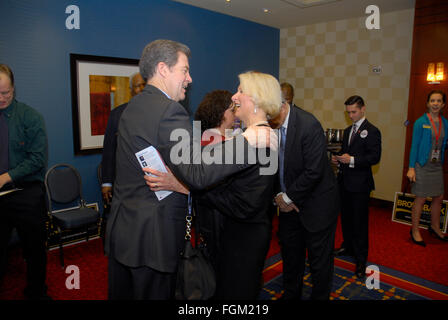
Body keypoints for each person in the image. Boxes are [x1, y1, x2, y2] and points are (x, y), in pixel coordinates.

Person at [104, 40, 271, 300]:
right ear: (163, 69)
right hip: (152, 240)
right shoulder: (170, 111)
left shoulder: (132, 107)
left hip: (124, 234)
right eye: (185, 70)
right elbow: (197, 172)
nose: (190, 79)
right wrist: (247, 142)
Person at [144, 71, 281, 299]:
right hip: (234, 234)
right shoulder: (250, 137)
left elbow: (246, 206)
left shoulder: (262, 142)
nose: (234, 97)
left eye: (240, 91)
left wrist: (186, 188)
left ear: (257, 99)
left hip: (245, 240)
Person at [269, 83, 339, 300]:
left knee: (319, 262)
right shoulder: (270, 126)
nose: (268, 121)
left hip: (317, 205)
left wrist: (288, 196)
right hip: (289, 205)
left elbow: (313, 171)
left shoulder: (308, 125)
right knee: (291, 257)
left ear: (283, 106)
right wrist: (279, 197)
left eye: (271, 114)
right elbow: (270, 167)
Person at [0, 64, 49, 300]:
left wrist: (5, 177)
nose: (1, 98)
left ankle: (36, 293)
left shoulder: (30, 117)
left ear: (13, 89)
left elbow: (38, 159)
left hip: (26, 193)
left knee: (34, 250)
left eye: (5, 93)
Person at [332, 95, 381, 279]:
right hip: (345, 182)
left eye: (353, 112)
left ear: (363, 109)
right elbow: (347, 153)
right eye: (348, 112)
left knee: (360, 223)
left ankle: (361, 259)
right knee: (345, 218)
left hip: (360, 185)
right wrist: (339, 161)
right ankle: (348, 246)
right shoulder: (347, 130)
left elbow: (374, 158)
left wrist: (351, 160)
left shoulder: (372, 131)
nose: (351, 115)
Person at [407, 90, 448, 245]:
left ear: (443, 104)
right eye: (432, 101)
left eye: (438, 101)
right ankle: (415, 230)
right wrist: (411, 168)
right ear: (428, 103)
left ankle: (435, 227)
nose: (435, 104)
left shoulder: (445, 123)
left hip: (436, 166)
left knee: (438, 197)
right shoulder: (420, 122)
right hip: (422, 166)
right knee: (421, 198)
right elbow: (414, 146)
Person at [101, 72, 145, 205]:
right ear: (131, 91)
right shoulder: (117, 114)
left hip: (152, 184)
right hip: (125, 185)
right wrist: (107, 182)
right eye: (138, 86)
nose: (142, 89)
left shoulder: (161, 112)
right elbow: (109, 150)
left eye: (145, 85)